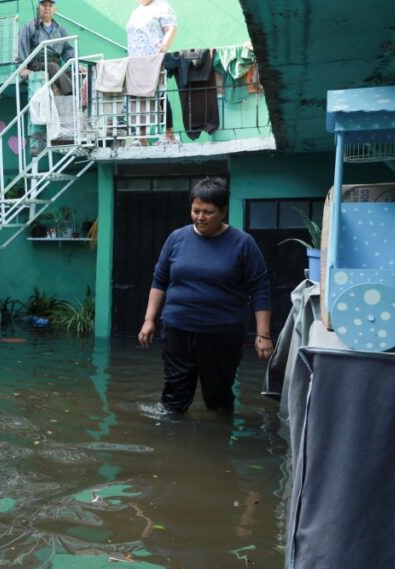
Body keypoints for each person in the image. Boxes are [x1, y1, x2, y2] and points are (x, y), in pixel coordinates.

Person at [138, 177, 273, 414]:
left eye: (207, 212)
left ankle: (220, 443)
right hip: (178, 328)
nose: (200, 217)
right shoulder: (176, 238)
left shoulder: (243, 243)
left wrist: (263, 334)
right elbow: (160, 280)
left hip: (222, 334)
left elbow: (260, 288)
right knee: (174, 397)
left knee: (218, 397)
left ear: (223, 211)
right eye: (195, 210)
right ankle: (171, 443)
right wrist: (149, 320)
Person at [126, 0, 178, 145]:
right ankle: (142, 138)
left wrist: (164, 48)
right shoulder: (136, 12)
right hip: (136, 61)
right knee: (139, 97)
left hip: (154, 59)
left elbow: (171, 28)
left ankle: (169, 135)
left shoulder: (162, 7)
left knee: (160, 95)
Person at [17, 0, 76, 96]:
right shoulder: (29, 26)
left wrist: (77, 65)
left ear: (54, 9)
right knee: (53, 66)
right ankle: (72, 94)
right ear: (38, 8)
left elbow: (67, 51)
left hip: (56, 66)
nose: (47, 8)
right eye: (44, 5)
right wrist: (22, 68)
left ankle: (82, 99)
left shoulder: (60, 30)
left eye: (50, 5)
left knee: (72, 72)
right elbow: (22, 46)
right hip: (37, 64)